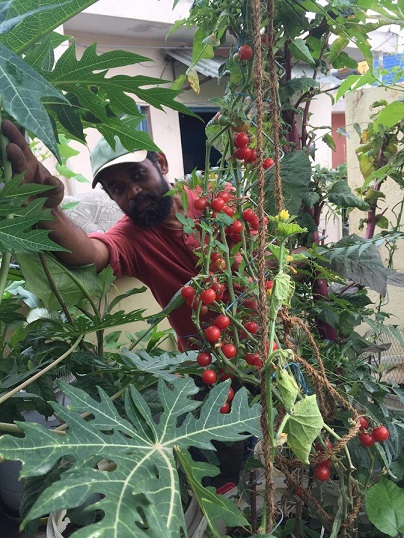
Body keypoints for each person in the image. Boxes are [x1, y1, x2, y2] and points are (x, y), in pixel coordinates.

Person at [3, 119, 248, 487]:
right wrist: (48, 210)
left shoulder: (214, 203)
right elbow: (89, 252)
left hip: (265, 345)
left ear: (161, 163)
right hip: (214, 372)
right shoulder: (131, 238)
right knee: (230, 467)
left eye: (138, 175)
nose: (133, 192)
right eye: (118, 189)